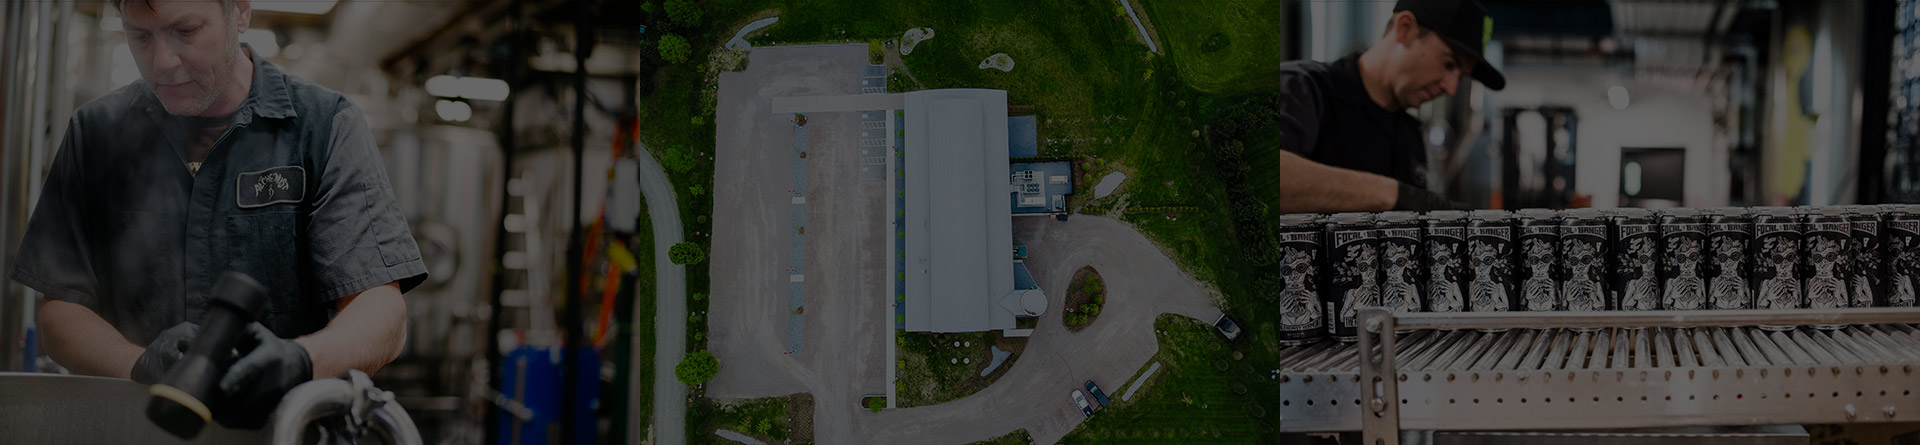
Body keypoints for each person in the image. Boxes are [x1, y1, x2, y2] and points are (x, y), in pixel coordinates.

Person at [7, 0, 425, 429]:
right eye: (141, 36)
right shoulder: (95, 133)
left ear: (239, 12)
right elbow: (60, 313)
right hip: (136, 429)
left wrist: (300, 359)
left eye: (185, 32)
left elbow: (382, 314)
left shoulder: (323, 127)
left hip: (284, 432)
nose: (162, 62)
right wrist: (137, 362)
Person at [1276, 0, 1506, 214]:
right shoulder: (1300, 87)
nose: (1451, 87)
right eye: (1449, 64)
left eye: (1461, 76)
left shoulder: (1410, 134)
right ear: (1405, 29)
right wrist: (1392, 194)